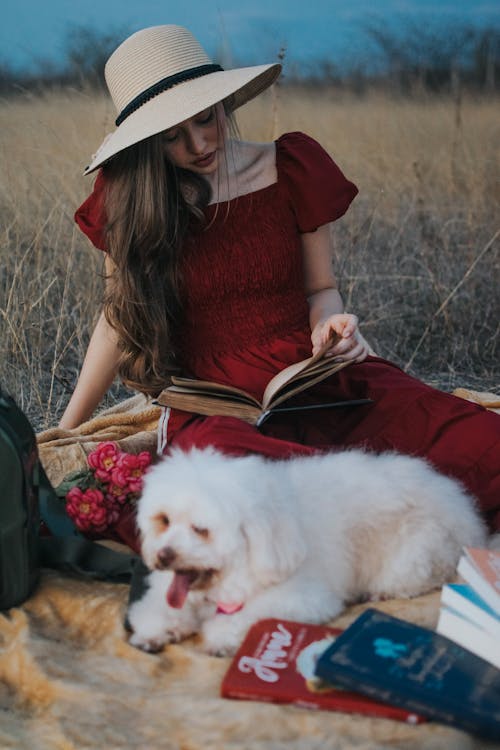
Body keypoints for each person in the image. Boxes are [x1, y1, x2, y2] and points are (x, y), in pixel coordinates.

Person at [60, 25, 500, 548]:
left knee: (479, 444)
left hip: (311, 378)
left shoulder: (290, 166)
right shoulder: (131, 201)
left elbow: (321, 290)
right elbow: (117, 316)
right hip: (215, 405)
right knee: (234, 492)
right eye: (172, 136)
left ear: (223, 103)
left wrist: (330, 328)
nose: (199, 143)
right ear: (146, 142)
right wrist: (67, 429)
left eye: (206, 119)